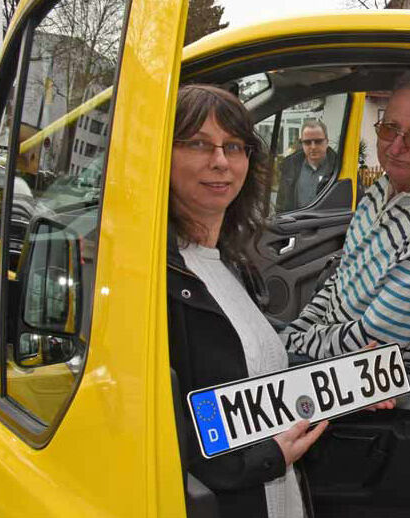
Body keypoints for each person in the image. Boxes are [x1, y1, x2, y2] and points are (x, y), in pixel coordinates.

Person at [166, 84, 328, 518]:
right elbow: (161, 432)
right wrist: (264, 458)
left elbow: (257, 375)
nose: (220, 161)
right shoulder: (157, 279)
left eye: (233, 146)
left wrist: (348, 381)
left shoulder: (228, 264)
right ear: (162, 154)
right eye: (198, 143)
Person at [282, 69, 410, 410]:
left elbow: (371, 341)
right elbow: (342, 276)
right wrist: (297, 332)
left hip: (385, 392)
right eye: (389, 129)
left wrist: (291, 344)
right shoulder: (387, 185)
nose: (395, 147)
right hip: (339, 357)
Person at [276, 119, 341, 212]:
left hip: (327, 225)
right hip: (296, 224)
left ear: (327, 142)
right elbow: (281, 205)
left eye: (318, 141)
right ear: (302, 143)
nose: (313, 147)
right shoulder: (290, 166)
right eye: (307, 142)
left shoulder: (340, 167)